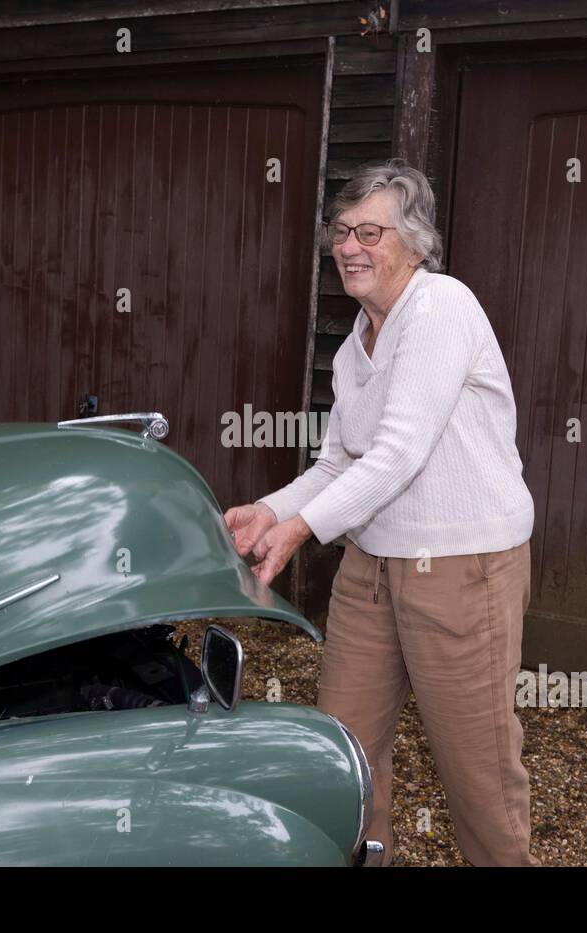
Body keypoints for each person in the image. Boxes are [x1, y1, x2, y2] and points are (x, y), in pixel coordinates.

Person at [224, 158, 539, 866]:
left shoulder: (441, 307)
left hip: (462, 566)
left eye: (372, 230)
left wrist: (301, 529)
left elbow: (398, 453)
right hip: (371, 562)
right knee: (347, 750)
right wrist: (266, 511)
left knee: (477, 770)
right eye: (341, 230)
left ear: (416, 244)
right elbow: (341, 460)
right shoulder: (355, 344)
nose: (350, 245)